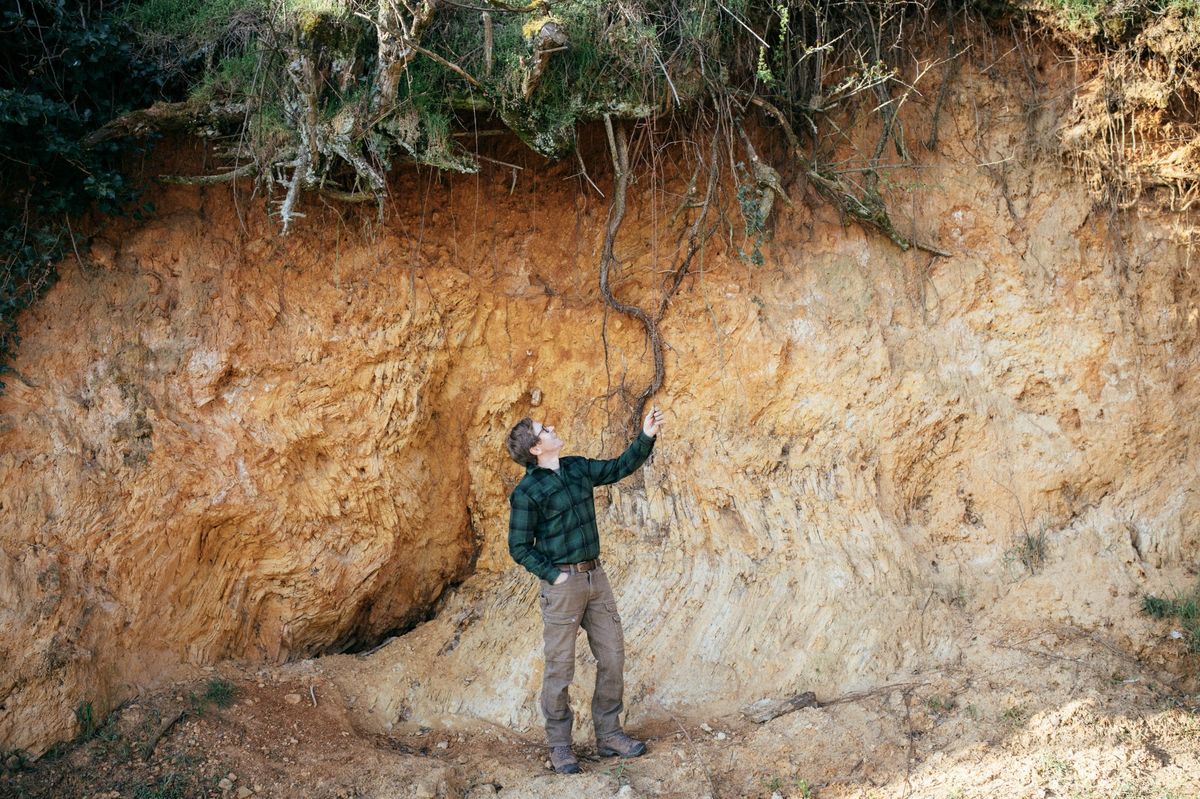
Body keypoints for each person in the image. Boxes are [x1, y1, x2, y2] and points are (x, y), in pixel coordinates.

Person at [505, 407, 665, 774]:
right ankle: (560, 746)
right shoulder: (527, 492)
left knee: (612, 656)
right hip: (562, 587)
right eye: (544, 429)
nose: (553, 427)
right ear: (534, 448)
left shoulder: (576, 468)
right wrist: (553, 575)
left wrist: (646, 435)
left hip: (596, 579)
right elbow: (518, 547)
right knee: (560, 669)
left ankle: (609, 734)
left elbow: (618, 468)